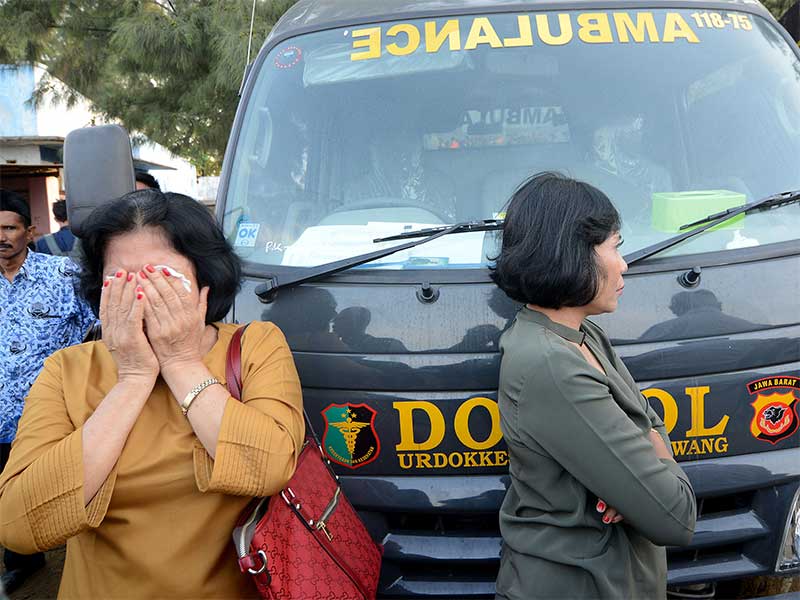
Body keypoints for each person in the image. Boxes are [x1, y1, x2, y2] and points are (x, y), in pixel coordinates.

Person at [0, 189, 304, 598]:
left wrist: (180, 363)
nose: (141, 297)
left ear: (205, 281)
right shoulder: (67, 370)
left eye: (161, 279)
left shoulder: (257, 346)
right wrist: (132, 379)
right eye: (121, 282)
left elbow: (269, 467)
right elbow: (18, 524)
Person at [490, 173, 696, 600]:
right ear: (571, 253)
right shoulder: (552, 363)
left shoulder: (580, 335)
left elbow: (647, 423)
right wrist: (643, 482)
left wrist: (635, 478)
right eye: (614, 247)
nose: (624, 264)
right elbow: (676, 516)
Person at [0, 189, 96, 593]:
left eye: (9, 228)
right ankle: (22, 561)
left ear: (30, 231)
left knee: (64, 490)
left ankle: (82, 562)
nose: (1, 236)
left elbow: (97, 330)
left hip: (50, 414)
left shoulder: (64, 276)